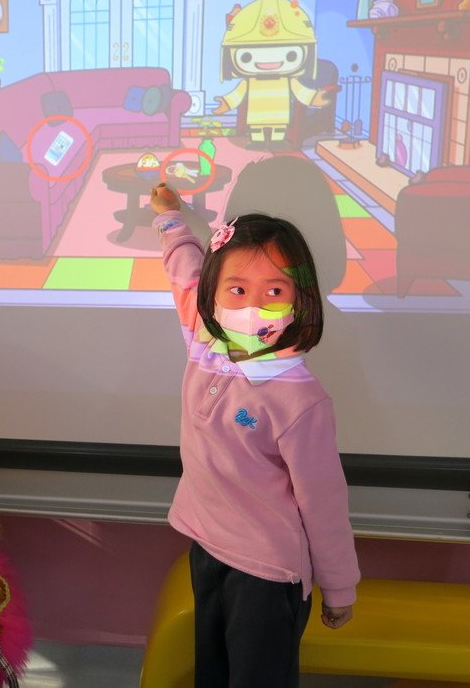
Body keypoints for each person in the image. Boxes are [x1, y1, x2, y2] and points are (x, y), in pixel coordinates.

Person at [149, 183, 360, 687]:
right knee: (212, 675)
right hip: (208, 549)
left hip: (268, 574)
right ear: (214, 294)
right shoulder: (205, 341)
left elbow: (324, 503)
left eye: (275, 291)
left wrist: (339, 588)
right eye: (238, 290)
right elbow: (186, 271)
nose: (253, 306)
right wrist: (169, 217)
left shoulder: (300, 401)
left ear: (299, 300)